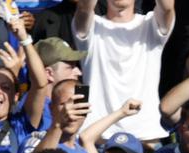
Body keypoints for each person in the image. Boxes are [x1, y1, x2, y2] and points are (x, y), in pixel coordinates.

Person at [72, 0, 172, 142]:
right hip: (97, 137)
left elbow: (167, 8)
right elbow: (83, 8)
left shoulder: (151, 23)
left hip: (145, 137)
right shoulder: (92, 25)